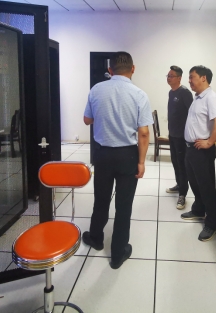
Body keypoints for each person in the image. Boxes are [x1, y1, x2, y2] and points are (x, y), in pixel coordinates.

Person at [82, 51, 152, 269]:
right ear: (133, 69)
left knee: (101, 199)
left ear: (110, 70)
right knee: (124, 205)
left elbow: (87, 120)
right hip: (127, 155)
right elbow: (143, 133)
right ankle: (118, 253)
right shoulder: (139, 94)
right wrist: (141, 162)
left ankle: (96, 238)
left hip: (102, 154)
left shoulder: (96, 89)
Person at [180, 65, 216, 241]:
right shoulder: (198, 97)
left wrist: (210, 142)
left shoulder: (210, 97)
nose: (189, 80)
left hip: (201, 151)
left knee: (206, 187)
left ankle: (212, 223)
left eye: (192, 77)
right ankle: (199, 210)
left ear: (203, 78)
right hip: (191, 149)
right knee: (195, 183)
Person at [165, 65, 193, 210]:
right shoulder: (171, 93)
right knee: (175, 162)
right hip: (173, 134)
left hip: (182, 137)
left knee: (182, 165)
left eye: (171, 76)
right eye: (168, 76)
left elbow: (192, 114)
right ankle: (179, 184)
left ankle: (183, 194)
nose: (168, 78)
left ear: (179, 78)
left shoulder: (185, 93)